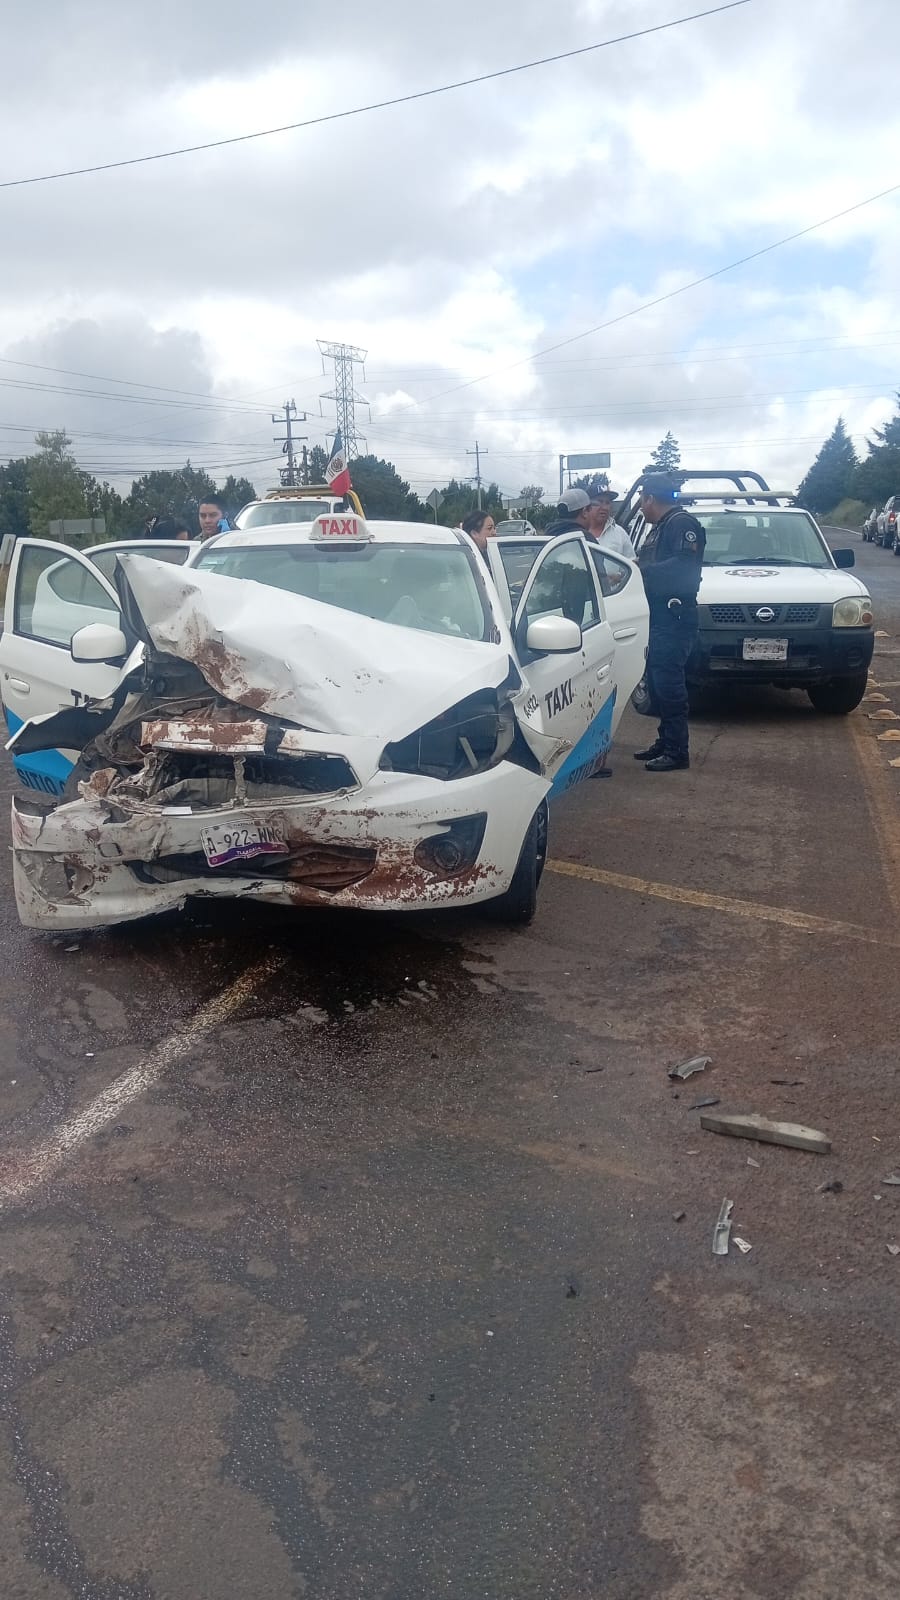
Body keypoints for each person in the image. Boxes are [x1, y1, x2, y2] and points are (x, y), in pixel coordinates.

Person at [634, 470, 706, 773]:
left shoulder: (682, 524)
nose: (639, 505)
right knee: (658, 683)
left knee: (670, 685)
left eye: (641, 499)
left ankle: (678, 751)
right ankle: (666, 741)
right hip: (658, 616)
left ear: (651, 498)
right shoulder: (663, 526)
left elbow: (681, 567)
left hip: (674, 616)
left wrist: (638, 572)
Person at [587, 488, 635, 559]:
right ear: (588, 505)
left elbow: (632, 563)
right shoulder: (577, 533)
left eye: (607, 503)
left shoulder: (620, 533)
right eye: (599, 502)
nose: (604, 507)